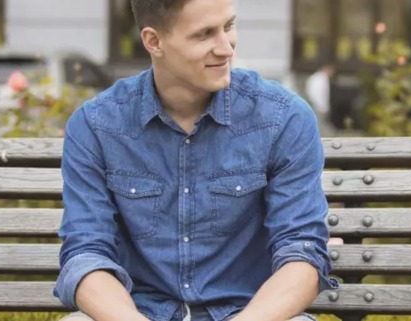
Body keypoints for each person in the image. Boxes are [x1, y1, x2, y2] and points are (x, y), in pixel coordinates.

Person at [53, 1, 337, 320]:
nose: (225, 48)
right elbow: (86, 255)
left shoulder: (283, 118)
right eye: (204, 35)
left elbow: (303, 253)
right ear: (153, 41)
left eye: (228, 27)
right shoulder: (96, 126)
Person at [304, 64, 335, 135]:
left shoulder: (315, 77)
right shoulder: (321, 78)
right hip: (318, 107)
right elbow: (319, 94)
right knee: (321, 126)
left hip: (317, 106)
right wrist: (321, 106)